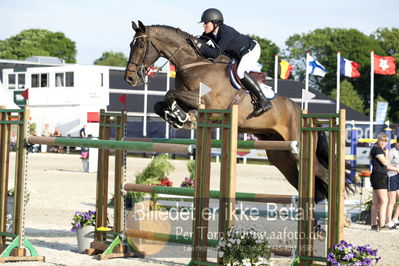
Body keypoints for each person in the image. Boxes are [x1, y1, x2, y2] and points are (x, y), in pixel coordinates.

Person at [188, 8, 272, 117]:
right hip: (237, 54)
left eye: (205, 23)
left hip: (251, 50)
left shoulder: (225, 33)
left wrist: (198, 45)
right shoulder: (210, 32)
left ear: (215, 23)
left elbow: (214, 53)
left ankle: (263, 100)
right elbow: (200, 43)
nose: (203, 25)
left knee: (241, 72)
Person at [370, 133, 399, 231]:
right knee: (384, 201)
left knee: (376, 202)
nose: (383, 143)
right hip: (379, 176)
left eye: (385, 141)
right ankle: (382, 225)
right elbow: (386, 163)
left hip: (377, 175)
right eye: (381, 141)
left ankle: (374, 225)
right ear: (378, 140)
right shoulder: (377, 149)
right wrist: (396, 169)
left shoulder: (378, 149)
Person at [386, 137, 399, 228]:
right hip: (392, 176)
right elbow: (386, 165)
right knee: (392, 200)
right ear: (396, 142)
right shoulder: (392, 151)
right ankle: (388, 221)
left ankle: (395, 218)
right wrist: (396, 169)